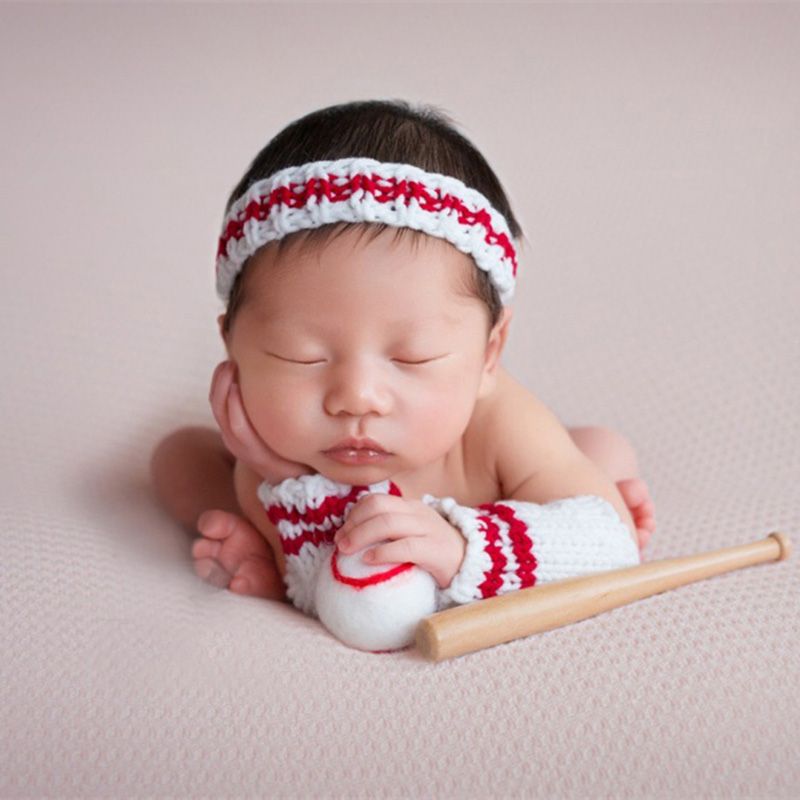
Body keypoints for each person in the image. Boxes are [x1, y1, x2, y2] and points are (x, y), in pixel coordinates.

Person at [150, 99, 656, 608]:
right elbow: (348, 597)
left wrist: (461, 548)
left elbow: (608, 545)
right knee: (178, 455)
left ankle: (581, 477)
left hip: (501, 505)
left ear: (488, 355)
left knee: (599, 450)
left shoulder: (499, 424)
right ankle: (267, 552)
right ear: (232, 347)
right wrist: (282, 478)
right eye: (301, 356)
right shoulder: (262, 440)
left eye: (413, 358)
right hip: (298, 511)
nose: (357, 399)